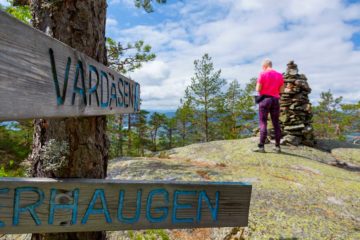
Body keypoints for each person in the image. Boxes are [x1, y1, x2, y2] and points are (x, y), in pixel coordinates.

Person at [253, 59, 284, 153]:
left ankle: (261, 147)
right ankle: (278, 147)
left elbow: (258, 88)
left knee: (263, 123)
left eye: (262, 66)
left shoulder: (262, 74)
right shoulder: (279, 75)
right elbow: (281, 90)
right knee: (276, 123)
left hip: (265, 100)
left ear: (265, 65)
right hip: (275, 100)